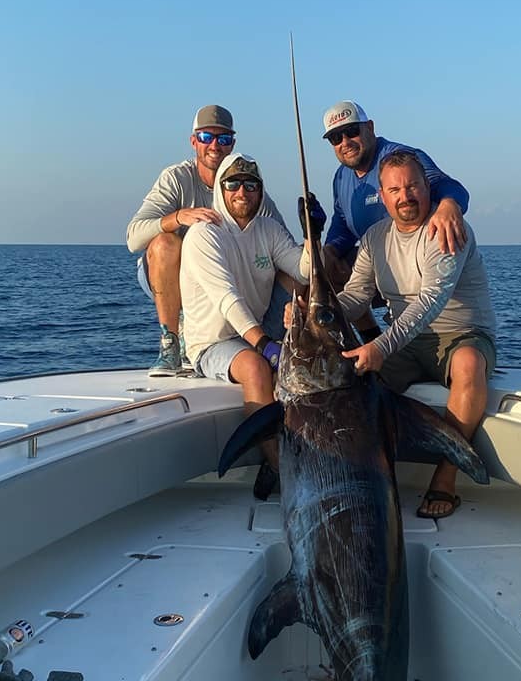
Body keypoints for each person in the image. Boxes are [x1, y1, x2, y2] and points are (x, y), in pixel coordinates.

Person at [336, 149, 496, 519]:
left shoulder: (448, 227)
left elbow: (431, 301)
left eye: (413, 186)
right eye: (395, 190)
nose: (405, 196)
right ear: (383, 194)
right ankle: (369, 473)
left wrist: (380, 345)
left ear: (428, 188)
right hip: (407, 343)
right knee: (355, 382)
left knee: (469, 364)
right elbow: (356, 295)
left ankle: (446, 475)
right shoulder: (374, 238)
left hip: (461, 333)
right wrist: (313, 313)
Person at [180, 153, 314, 498]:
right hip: (214, 341)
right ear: (221, 189)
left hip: (254, 329)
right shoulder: (204, 235)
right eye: (234, 184)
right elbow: (228, 301)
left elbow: (303, 271)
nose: (243, 192)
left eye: (251, 185)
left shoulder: (267, 229)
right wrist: (266, 346)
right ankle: (279, 467)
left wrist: (312, 233)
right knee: (257, 369)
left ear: (260, 191)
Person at [127, 105, 290, 376]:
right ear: (194, 141)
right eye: (206, 138)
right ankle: (172, 343)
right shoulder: (176, 179)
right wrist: (177, 218)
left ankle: (273, 336)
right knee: (165, 244)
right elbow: (134, 238)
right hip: (176, 278)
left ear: (232, 144)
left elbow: (283, 244)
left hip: (230, 278)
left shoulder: (247, 190)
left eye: (223, 139)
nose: (215, 145)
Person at [321, 100, 471, 339]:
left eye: (351, 132)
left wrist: (449, 204)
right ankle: (366, 339)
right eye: (335, 138)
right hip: (374, 262)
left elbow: (450, 187)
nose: (345, 142)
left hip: (416, 262)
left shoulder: (402, 158)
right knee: (315, 269)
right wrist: (328, 251)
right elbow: (343, 224)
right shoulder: (341, 177)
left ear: (369, 127)